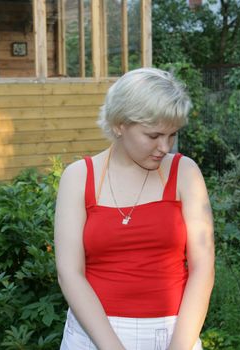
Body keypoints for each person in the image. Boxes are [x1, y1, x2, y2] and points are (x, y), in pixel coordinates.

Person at [54, 67, 215, 350]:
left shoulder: (185, 173)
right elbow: (69, 272)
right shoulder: (79, 177)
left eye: (172, 134)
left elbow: (203, 268)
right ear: (120, 124)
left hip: (174, 332)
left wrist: (180, 346)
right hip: (93, 335)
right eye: (153, 135)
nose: (164, 147)